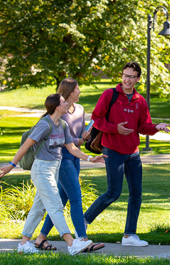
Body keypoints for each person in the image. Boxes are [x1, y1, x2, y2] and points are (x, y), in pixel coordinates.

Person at [0, 94, 106, 255]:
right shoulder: (45, 124)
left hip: (53, 170)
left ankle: (24, 244)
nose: (66, 103)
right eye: (63, 102)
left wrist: (91, 158)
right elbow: (25, 146)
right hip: (41, 170)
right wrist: (11, 165)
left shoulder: (62, 125)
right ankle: (71, 244)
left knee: (38, 208)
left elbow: (72, 148)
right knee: (55, 206)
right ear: (57, 107)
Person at [83, 61, 170, 247]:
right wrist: (115, 129)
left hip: (133, 153)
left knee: (136, 193)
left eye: (131, 76)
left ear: (138, 79)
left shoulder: (140, 101)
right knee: (113, 192)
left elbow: (143, 126)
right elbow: (96, 119)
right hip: (112, 150)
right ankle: (82, 223)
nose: (127, 79)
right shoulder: (110, 94)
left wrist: (156, 127)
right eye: (125, 75)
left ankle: (129, 236)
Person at [35, 79, 104, 252]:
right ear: (70, 92)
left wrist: (85, 136)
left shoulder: (79, 109)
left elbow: (78, 135)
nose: (80, 92)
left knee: (62, 200)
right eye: (78, 89)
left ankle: (41, 239)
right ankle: (83, 239)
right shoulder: (60, 110)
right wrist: (78, 140)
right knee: (75, 197)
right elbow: (59, 135)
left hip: (75, 157)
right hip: (63, 157)